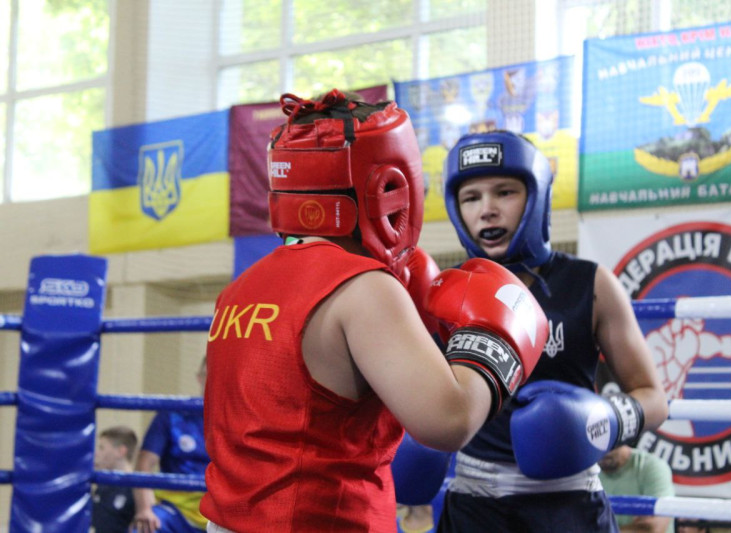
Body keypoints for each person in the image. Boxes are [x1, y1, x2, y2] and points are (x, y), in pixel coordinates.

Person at [199, 89, 549, 533]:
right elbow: (450, 421)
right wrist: (496, 336)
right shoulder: (363, 288)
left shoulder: (240, 290)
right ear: (387, 187)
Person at [432, 129, 669, 532]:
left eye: (505, 192)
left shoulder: (590, 284)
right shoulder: (441, 291)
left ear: (537, 197)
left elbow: (654, 399)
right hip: (474, 506)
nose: (487, 210)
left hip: (569, 504)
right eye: (471, 197)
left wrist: (602, 422)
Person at [132, 357, 209, 533]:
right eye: (207, 375)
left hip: (221, 514)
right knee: (144, 529)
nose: (212, 381)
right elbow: (144, 464)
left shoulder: (237, 420)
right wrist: (145, 509)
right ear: (199, 378)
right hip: (174, 511)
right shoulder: (173, 414)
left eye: (217, 376)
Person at [598, 444, 675, 533]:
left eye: (609, 445)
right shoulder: (586, 471)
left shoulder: (650, 466)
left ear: (622, 440)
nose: (603, 451)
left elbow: (654, 529)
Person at [92, 425, 138, 533]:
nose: (96, 453)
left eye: (101, 448)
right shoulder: (102, 485)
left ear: (120, 451)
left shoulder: (138, 488)